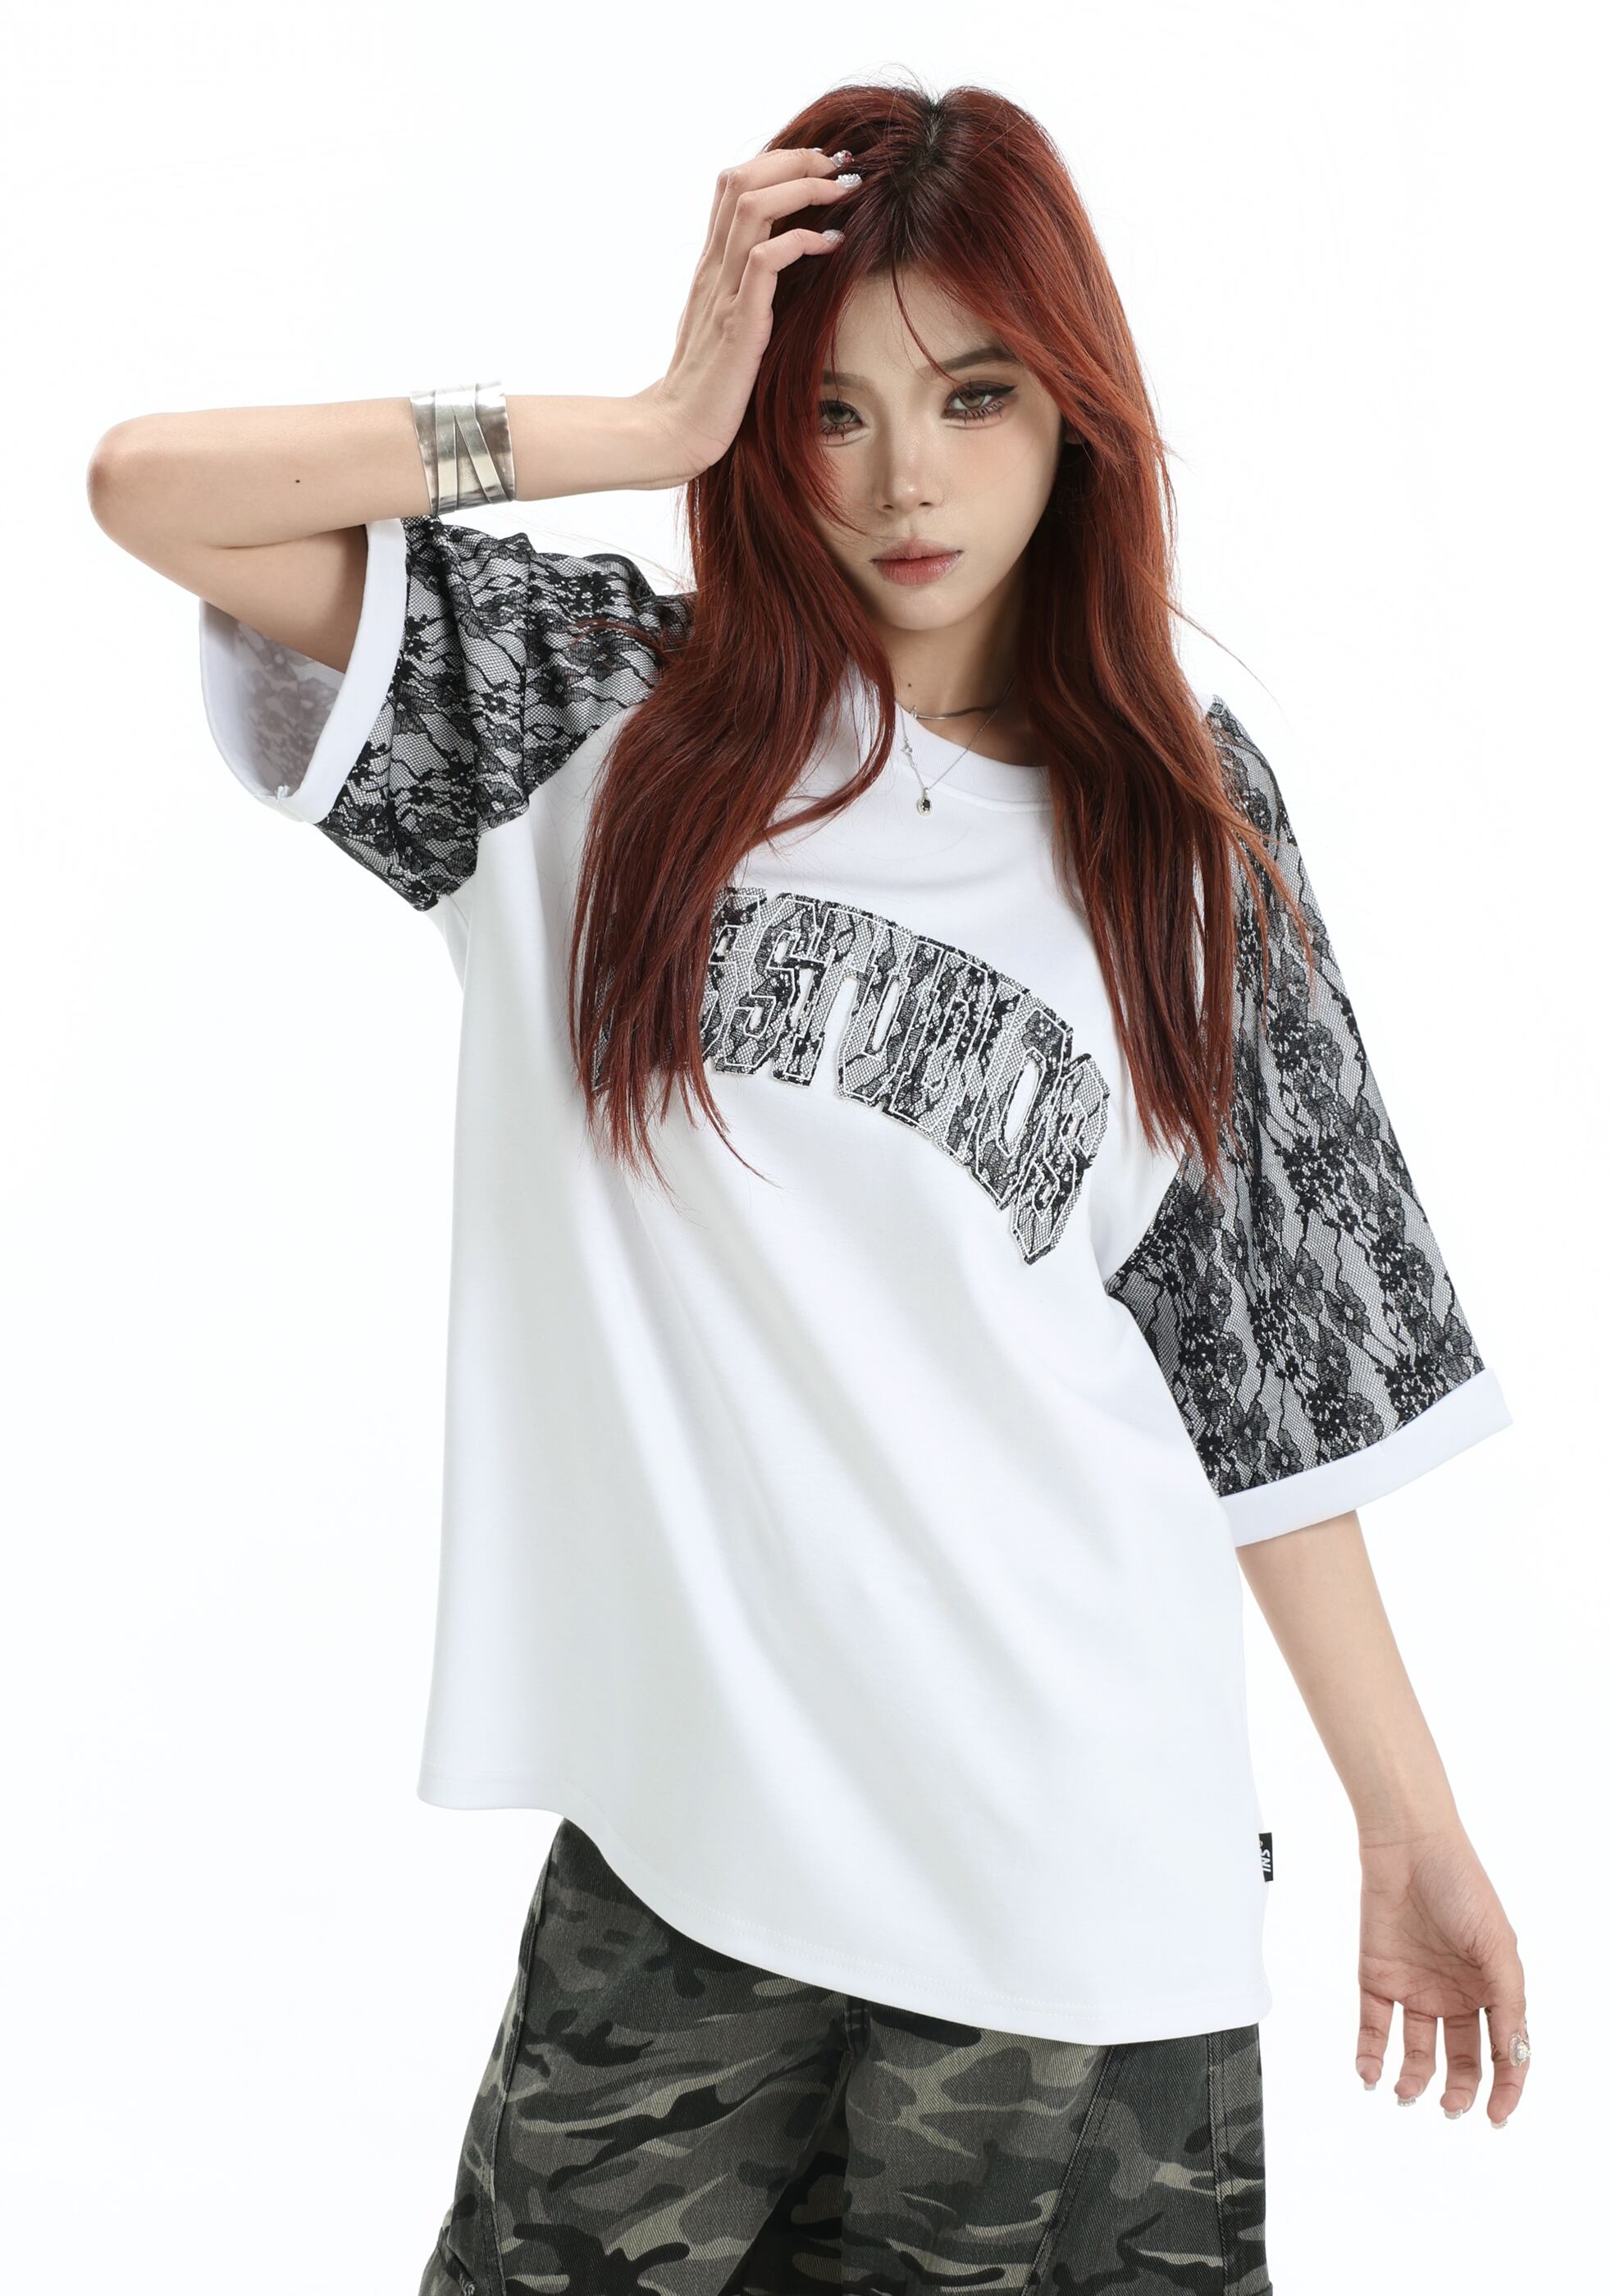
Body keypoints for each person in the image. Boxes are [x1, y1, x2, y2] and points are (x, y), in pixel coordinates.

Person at [87, 78, 1529, 2296]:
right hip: (689, 1859)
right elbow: (148, 488)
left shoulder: (1182, 819)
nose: (904, 478)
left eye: (971, 396)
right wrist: (648, 420)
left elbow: (1258, 1373)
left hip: (1066, 1878)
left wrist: (1406, 1822)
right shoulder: (585, 722)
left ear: (1075, 406)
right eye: (830, 411)